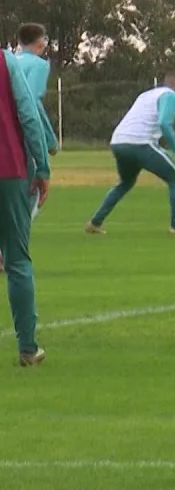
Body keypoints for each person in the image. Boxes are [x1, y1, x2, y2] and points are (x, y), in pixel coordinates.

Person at [87, 70, 175, 235]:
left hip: (119, 142)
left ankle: (95, 223)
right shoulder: (170, 96)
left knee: (125, 183)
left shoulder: (147, 94)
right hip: (140, 143)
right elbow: (164, 124)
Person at [0, 48, 50, 365]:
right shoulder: (6, 61)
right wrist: (42, 166)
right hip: (8, 170)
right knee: (17, 260)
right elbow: (29, 115)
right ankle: (28, 348)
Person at [12, 23, 58, 219]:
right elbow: (31, 102)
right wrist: (48, 139)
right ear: (41, 43)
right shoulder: (39, 65)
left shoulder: (10, 61)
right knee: (33, 190)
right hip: (23, 134)